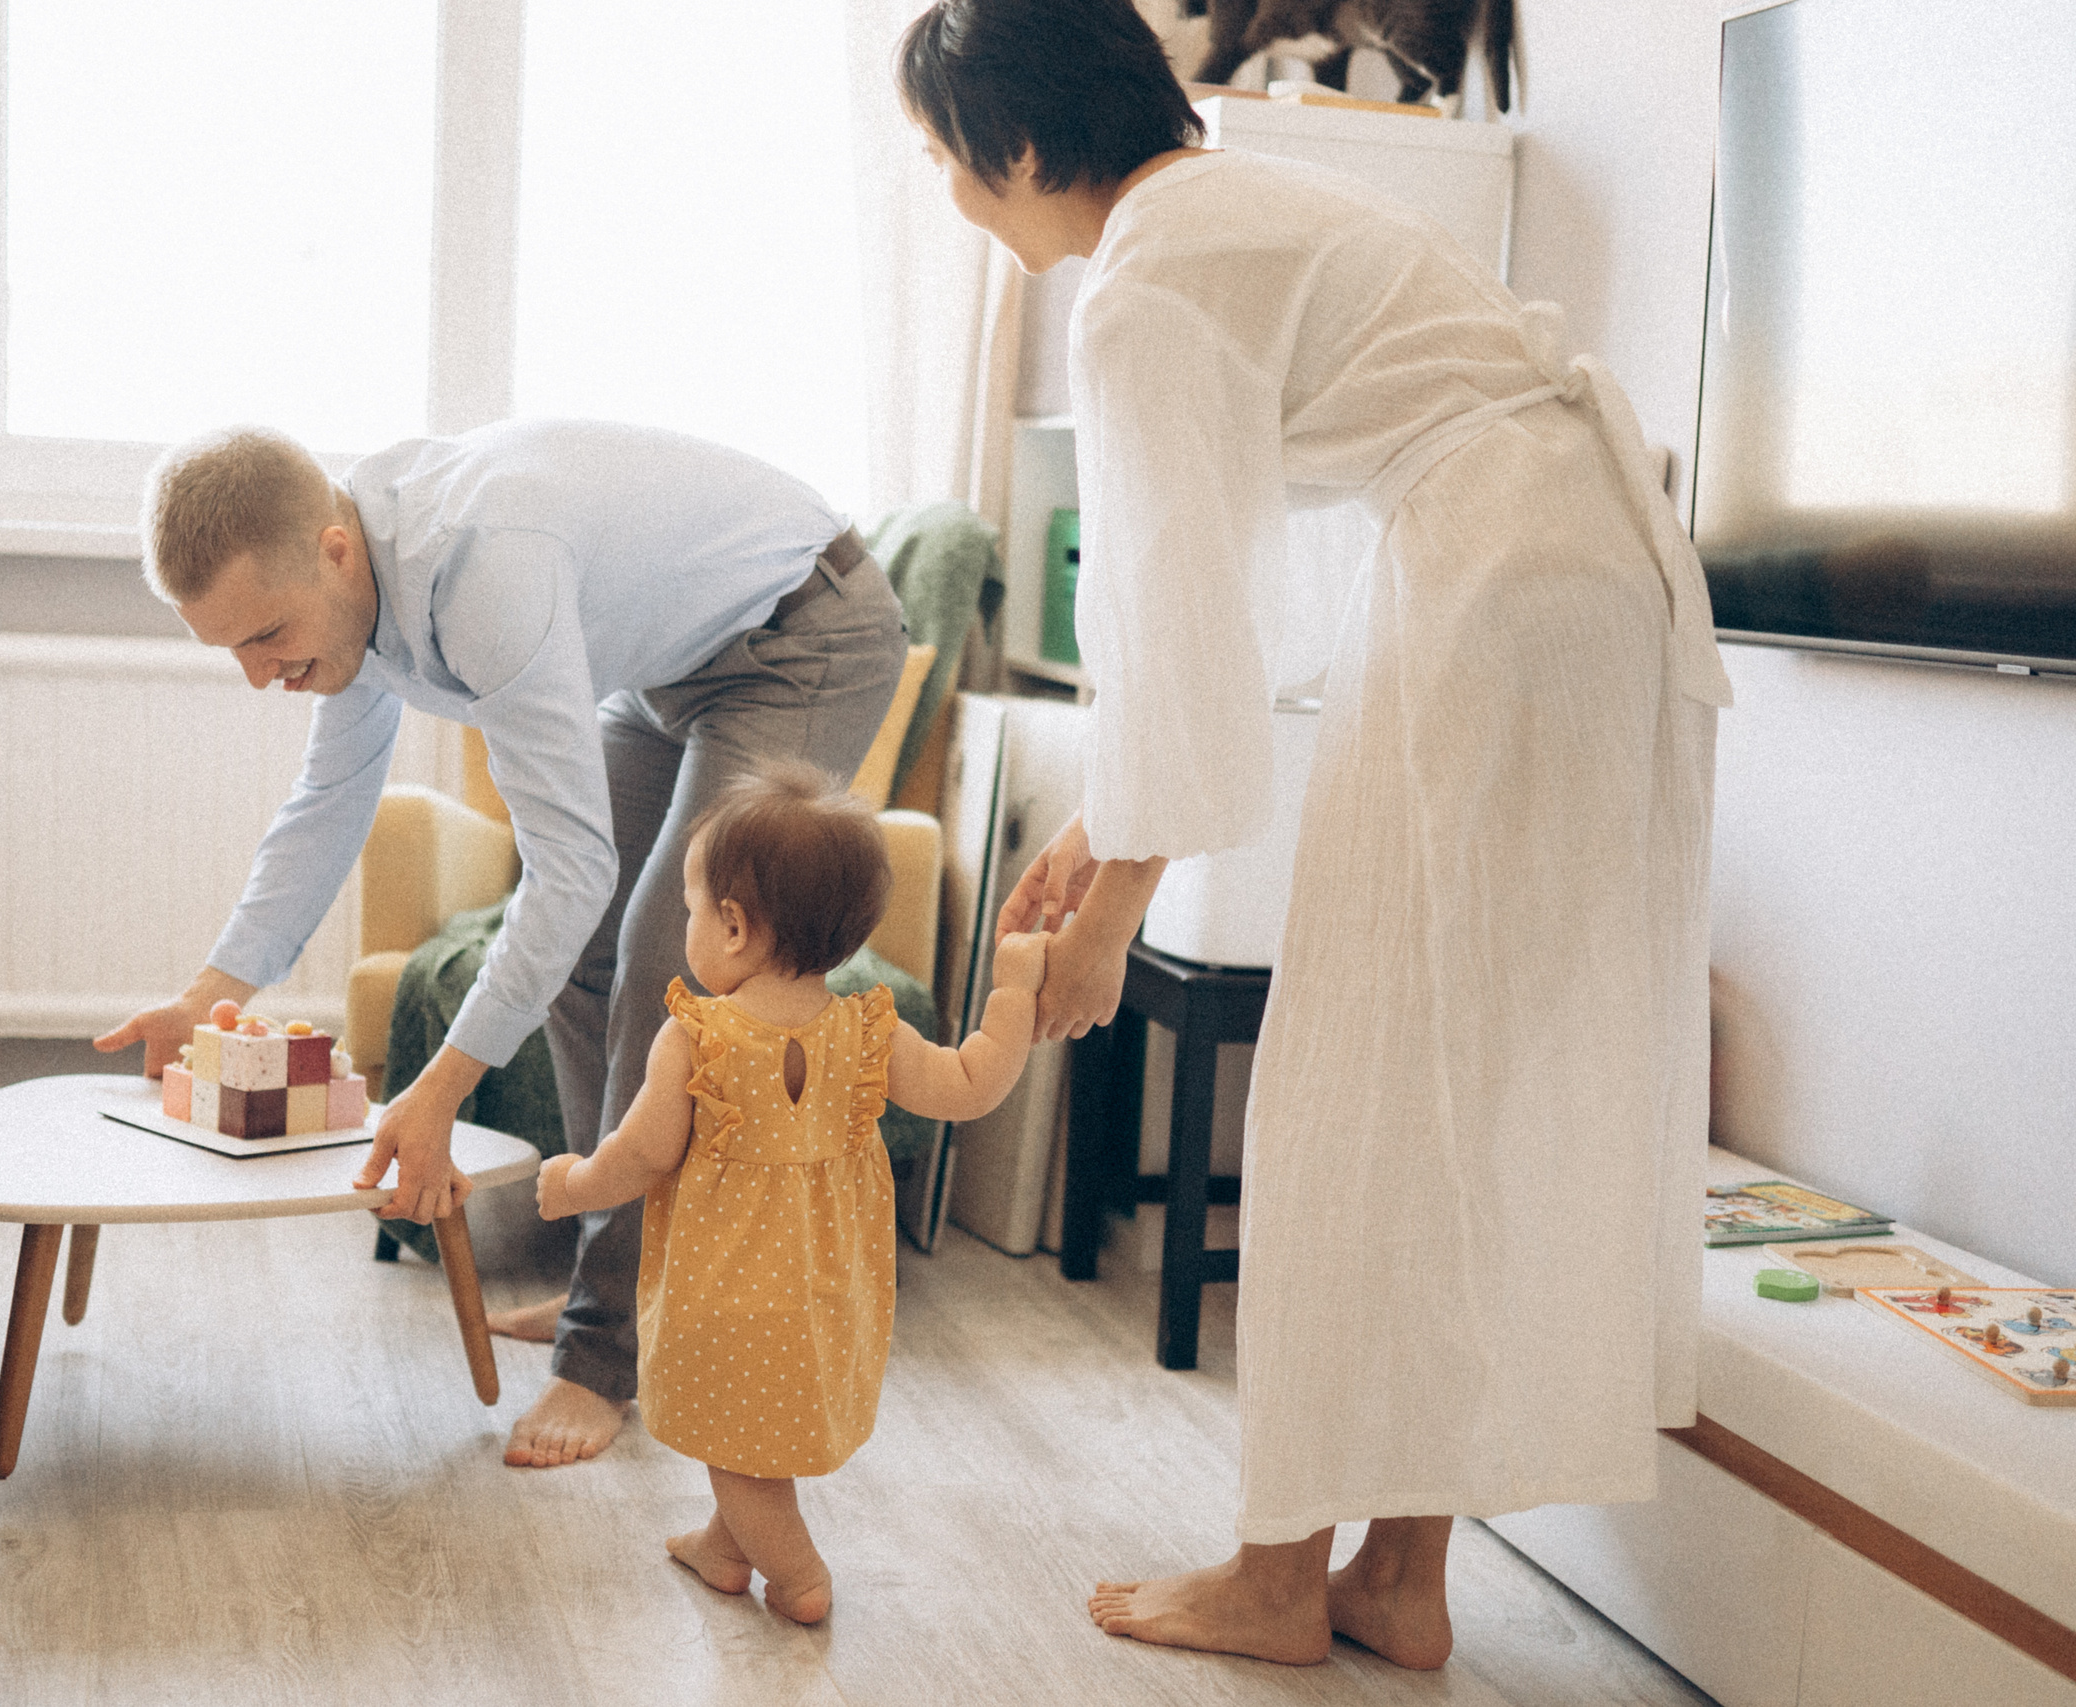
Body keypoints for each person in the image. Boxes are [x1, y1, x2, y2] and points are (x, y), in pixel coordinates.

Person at [898, 0, 1732, 1672]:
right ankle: (1400, 1572)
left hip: (1500, 575)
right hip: (1591, 574)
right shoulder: (1244, 205)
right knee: (1467, 1069)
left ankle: (1282, 1570)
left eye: (951, 163)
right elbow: (1193, 610)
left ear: (1032, 148)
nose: (954, 203)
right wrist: (1100, 833)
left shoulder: (1139, 281)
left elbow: (1180, 614)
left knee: (1358, 1066)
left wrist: (1112, 907)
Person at [95, 420, 908, 1469]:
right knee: (579, 957)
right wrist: (210, 993)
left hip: (802, 636)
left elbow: (575, 868)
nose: (260, 675)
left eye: (265, 637)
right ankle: (608, 1281)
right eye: (234, 651)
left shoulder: (484, 571)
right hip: (666, 671)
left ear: (333, 550)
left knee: (677, 977)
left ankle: (603, 1355)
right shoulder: (351, 601)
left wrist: (436, 1091)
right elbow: (329, 802)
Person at [534, 764, 1050, 1621]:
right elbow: (971, 1084)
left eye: (693, 907)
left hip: (724, 1284)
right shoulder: (868, 1030)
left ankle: (798, 1572)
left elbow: (642, 1152)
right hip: (825, 1285)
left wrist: (575, 1180)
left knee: (732, 1445)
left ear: (732, 927)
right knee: (758, 1420)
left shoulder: (695, 1034)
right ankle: (722, 1546)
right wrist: (1015, 992)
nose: (689, 923)